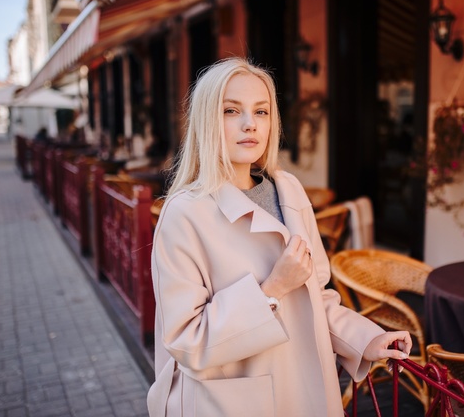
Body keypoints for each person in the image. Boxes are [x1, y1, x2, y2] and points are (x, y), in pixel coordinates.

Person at [148, 57, 412, 417]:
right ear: (207, 119)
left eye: (261, 112)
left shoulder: (288, 190)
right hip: (234, 404)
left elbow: (314, 299)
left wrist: (366, 339)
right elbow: (186, 340)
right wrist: (270, 290)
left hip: (306, 393)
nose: (249, 124)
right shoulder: (185, 213)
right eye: (231, 110)